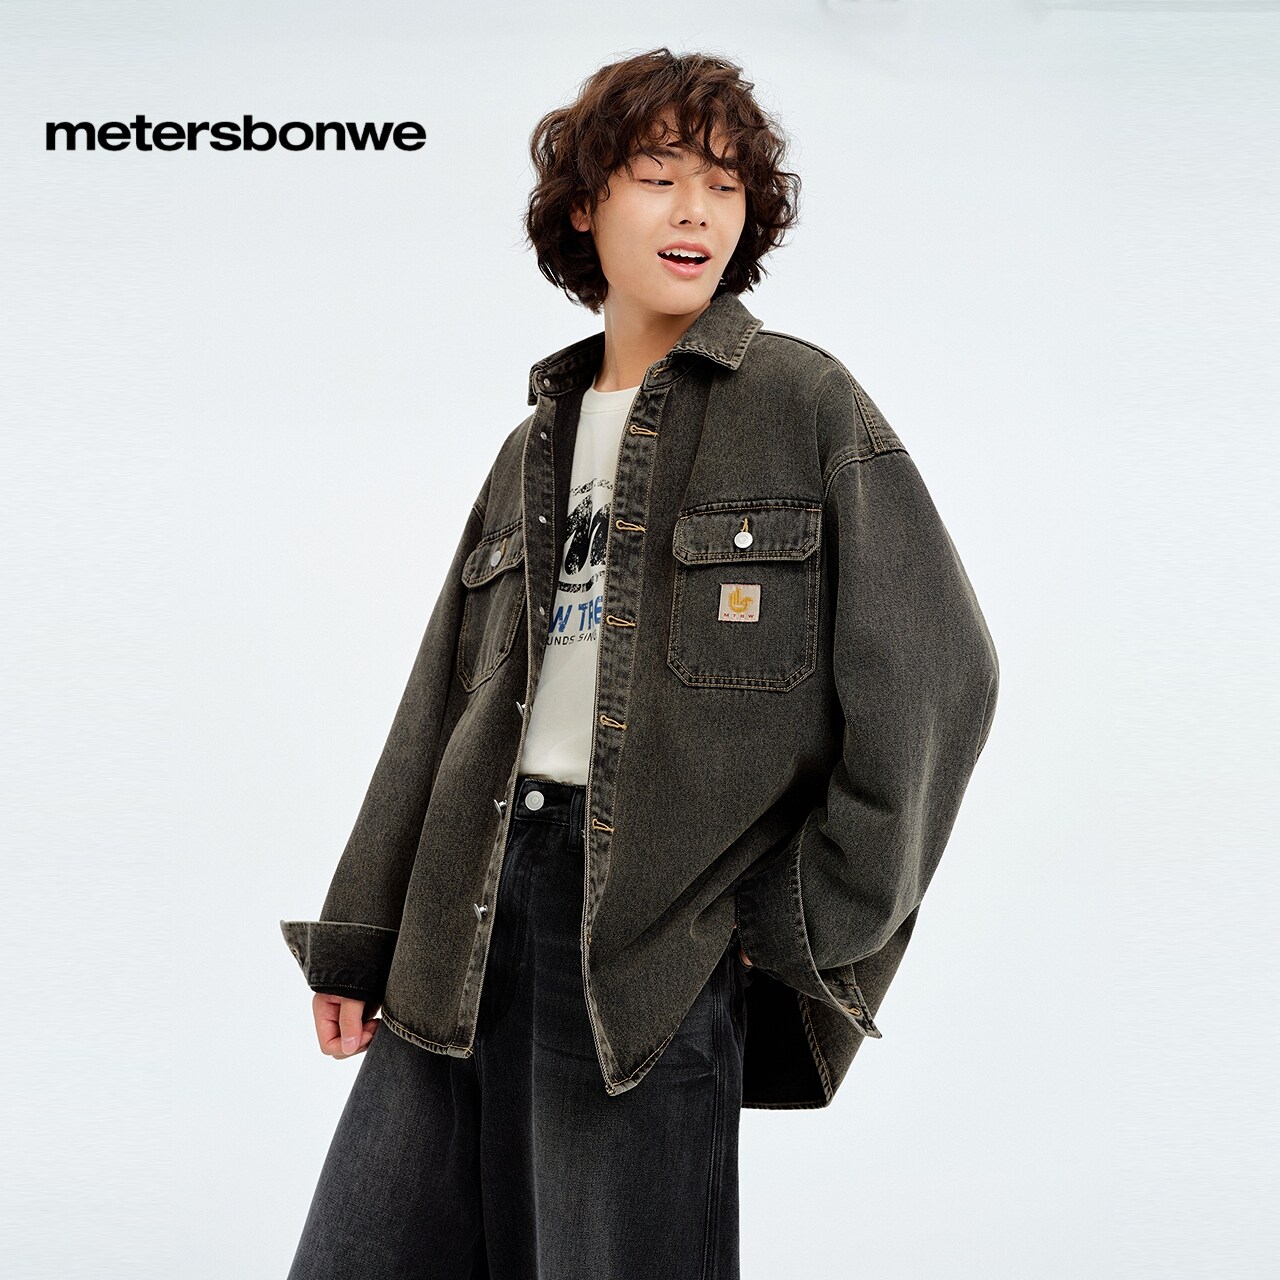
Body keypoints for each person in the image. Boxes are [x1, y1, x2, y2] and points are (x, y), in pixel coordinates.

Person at [280, 47, 1000, 1280]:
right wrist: (361, 933)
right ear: (583, 205)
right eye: (658, 175)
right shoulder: (530, 443)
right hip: (459, 916)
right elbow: (438, 701)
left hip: (646, 943)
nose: (694, 212)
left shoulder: (804, 404)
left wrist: (799, 920)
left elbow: (939, 675)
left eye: (722, 185)